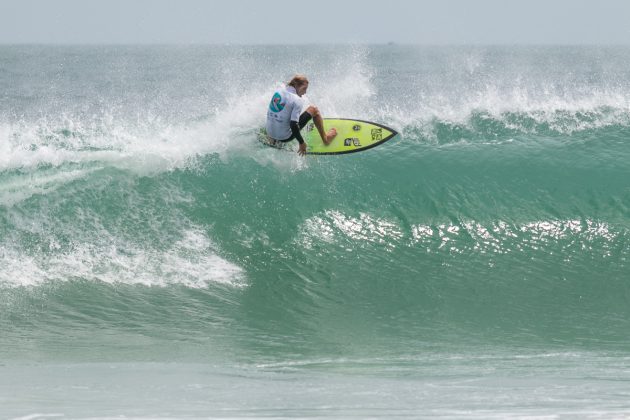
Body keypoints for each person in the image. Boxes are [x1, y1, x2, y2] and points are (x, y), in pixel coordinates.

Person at [266, 74, 337, 156]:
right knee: (314, 110)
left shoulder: (278, 91)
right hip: (285, 137)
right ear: (296, 85)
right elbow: (293, 124)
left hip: (269, 133)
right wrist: (301, 143)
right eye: (304, 89)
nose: (305, 92)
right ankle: (326, 139)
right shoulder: (297, 100)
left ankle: (274, 140)